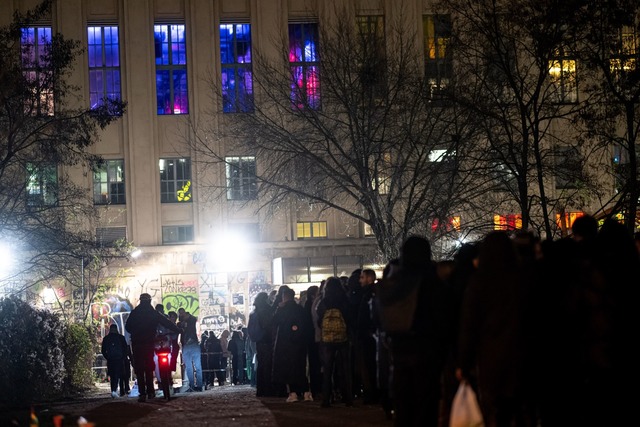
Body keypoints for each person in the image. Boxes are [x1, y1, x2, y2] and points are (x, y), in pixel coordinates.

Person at [380, 235, 454, 427]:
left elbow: (379, 316)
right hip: (427, 350)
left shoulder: (393, 280)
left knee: (403, 404)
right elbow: (444, 318)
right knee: (426, 405)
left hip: (398, 349)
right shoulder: (431, 280)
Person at [125, 293, 181, 402]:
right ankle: (151, 391)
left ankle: (142, 393)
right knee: (149, 367)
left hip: (137, 343)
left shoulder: (135, 313)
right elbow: (166, 322)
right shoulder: (153, 313)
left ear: (140, 301)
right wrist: (177, 329)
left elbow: (128, 327)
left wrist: (136, 333)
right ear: (150, 301)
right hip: (149, 343)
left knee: (140, 369)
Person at [316, 276, 353, 408]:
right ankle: (348, 398)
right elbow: (349, 317)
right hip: (342, 338)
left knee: (327, 369)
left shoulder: (323, 301)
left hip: (327, 340)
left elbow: (318, 318)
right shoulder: (344, 300)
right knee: (345, 369)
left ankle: (326, 399)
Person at [271, 286, 310, 403]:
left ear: (284, 297)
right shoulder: (300, 309)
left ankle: (293, 393)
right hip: (300, 343)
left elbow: (274, 322)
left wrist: (278, 308)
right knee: (300, 368)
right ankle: (306, 392)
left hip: (285, 343)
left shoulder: (282, 310)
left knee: (288, 369)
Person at [178, 308, 204, 392]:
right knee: (195, 367)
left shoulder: (190, 320)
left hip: (189, 345)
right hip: (192, 345)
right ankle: (197, 385)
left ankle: (194, 385)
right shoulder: (187, 321)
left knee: (191, 367)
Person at [101, 323, 129, 398]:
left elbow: (103, 350)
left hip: (111, 359)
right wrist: (123, 357)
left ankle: (113, 390)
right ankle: (121, 391)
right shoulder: (121, 338)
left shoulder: (106, 339)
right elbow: (125, 349)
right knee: (120, 375)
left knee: (113, 375)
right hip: (119, 359)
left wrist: (108, 357)